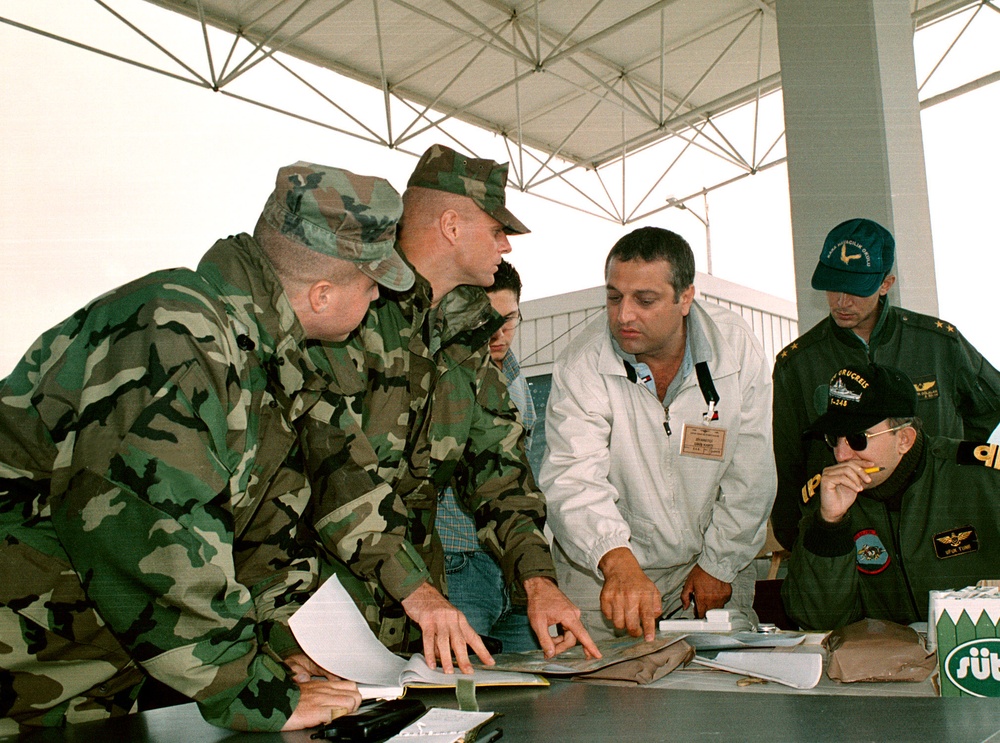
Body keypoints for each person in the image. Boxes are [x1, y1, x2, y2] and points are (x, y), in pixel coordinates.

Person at [0, 162, 413, 734]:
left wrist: (276, 647)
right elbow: (150, 532)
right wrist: (248, 690)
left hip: (78, 672)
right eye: (372, 287)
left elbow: (260, 539)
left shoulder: (260, 363)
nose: (376, 303)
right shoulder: (174, 329)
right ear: (321, 294)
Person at [309, 144, 599, 675]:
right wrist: (416, 591)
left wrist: (539, 581)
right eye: (496, 229)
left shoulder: (468, 337)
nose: (506, 245)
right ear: (450, 225)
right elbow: (334, 477)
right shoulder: (350, 317)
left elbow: (500, 474)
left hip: (415, 618)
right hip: (318, 613)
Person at [540, 226, 776, 642]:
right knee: (605, 697)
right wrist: (616, 561)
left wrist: (719, 564)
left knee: (719, 689)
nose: (624, 315)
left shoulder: (735, 347)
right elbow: (573, 478)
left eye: (644, 300)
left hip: (707, 563)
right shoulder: (582, 363)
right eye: (614, 297)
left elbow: (751, 472)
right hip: (603, 571)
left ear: (685, 297)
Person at [771, 217, 1000, 551]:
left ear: (886, 283)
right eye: (833, 287)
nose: (841, 301)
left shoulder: (938, 344)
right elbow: (790, 463)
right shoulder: (798, 364)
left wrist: (946, 466)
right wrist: (806, 541)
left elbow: (990, 406)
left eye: (856, 289)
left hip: (939, 525)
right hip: (853, 531)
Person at [781, 364, 1000, 631]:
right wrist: (830, 525)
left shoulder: (981, 479)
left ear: (904, 439)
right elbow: (817, 620)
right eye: (833, 439)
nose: (841, 455)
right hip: (884, 663)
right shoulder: (828, 497)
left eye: (857, 439)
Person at [437, 259, 539, 652]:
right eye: (484, 321)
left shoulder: (515, 379)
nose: (498, 334)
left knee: (529, 691)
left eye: (509, 319)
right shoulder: (444, 377)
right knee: (462, 688)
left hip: (511, 568)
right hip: (459, 566)